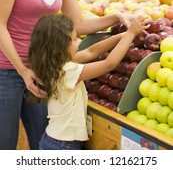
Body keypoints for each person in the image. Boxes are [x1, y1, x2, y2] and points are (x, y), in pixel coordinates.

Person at [0, 0, 144, 150]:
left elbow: (77, 25)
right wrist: (23, 71)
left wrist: (116, 16)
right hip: (5, 70)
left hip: (43, 71)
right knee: (4, 145)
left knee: (42, 144)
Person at [28, 13, 150, 150]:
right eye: (74, 39)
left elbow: (90, 52)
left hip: (54, 139)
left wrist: (124, 36)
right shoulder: (67, 70)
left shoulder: (53, 65)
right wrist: (131, 33)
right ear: (61, 45)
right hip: (63, 145)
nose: (78, 42)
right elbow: (109, 64)